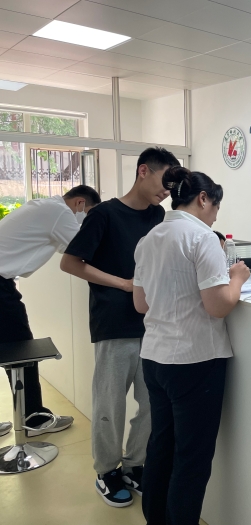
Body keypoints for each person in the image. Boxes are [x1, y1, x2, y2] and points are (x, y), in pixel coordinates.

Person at [61, 147, 180, 508]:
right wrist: (124, 284)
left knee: (151, 405)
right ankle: (106, 470)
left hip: (153, 325)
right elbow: (70, 263)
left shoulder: (159, 215)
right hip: (113, 324)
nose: (168, 191)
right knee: (109, 405)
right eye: (165, 181)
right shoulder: (104, 214)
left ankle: (134, 463)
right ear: (143, 171)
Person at [133, 167, 250, 525]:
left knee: (161, 447)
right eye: (216, 208)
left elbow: (141, 303)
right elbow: (218, 306)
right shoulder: (202, 238)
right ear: (203, 199)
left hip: (154, 358)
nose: (215, 217)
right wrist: (237, 278)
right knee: (191, 460)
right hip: (196, 361)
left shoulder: (149, 238)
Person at [0, 185, 101, 438]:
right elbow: (84, 248)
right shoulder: (60, 212)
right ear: (79, 203)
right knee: (21, 350)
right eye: (88, 215)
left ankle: (31, 415)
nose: (85, 222)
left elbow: (65, 248)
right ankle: (34, 419)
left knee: (13, 350)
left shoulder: (45, 206)